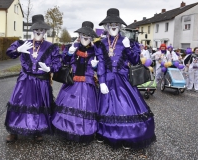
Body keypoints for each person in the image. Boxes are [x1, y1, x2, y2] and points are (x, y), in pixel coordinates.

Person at [95, 8, 156, 149]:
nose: (113, 25)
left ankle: (128, 136)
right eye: (110, 23)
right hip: (108, 80)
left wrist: (128, 48)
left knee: (126, 107)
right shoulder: (101, 44)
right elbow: (101, 64)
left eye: (116, 22)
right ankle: (105, 133)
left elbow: (135, 61)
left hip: (123, 80)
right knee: (106, 108)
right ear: (106, 26)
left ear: (120, 25)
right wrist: (102, 81)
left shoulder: (128, 41)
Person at [4, 14, 62, 142]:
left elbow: (58, 63)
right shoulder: (23, 43)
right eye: (37, 29)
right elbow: (9, 52)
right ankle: (14, 131)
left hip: (41, 81)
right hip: (25, 81)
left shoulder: (51, 47)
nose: (39, 32)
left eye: (42, 29)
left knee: (39, 105)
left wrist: (50, 69)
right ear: (33, 30)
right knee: (19, 104)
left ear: (45, 31)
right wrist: (18, 49)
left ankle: (37, 130)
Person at [51, 21, 99, 143]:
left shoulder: (96, 51)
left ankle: (83, 132)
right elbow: (65, 62)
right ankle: (67, 130)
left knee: (86, 107)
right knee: (69, 106)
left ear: (91, 36)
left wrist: (95, 68)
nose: (85, 36)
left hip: (88, 83)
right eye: (83, 33)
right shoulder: (72, 47)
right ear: (80, 35)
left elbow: (101, 67)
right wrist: (69, 53)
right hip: (72, 83)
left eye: (88, 34)